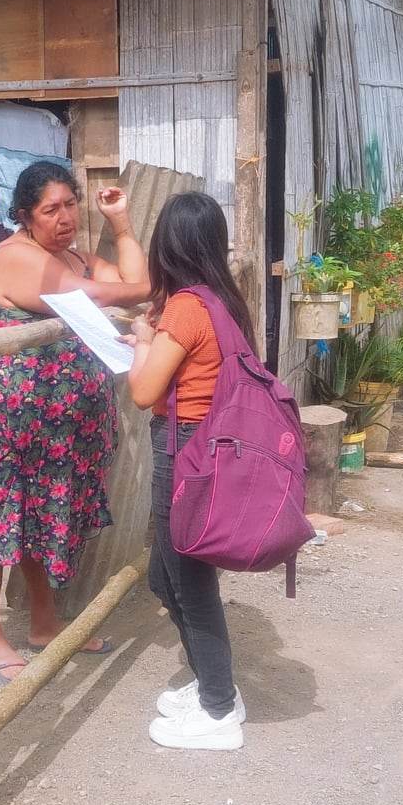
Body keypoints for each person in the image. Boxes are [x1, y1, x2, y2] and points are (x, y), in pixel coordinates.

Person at [0, 161, 152, 684]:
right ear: (25, 215)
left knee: (37, 522)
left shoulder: (69, 258)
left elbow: (133, 284)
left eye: (71, 204)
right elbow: (108, 293)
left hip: (51, 430)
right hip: (5, 424)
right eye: (51, 209)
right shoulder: (18, 258)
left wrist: (120, 224)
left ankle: (44, 626)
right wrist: (142, 286)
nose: (65, 217)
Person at [123, 191, 253, 751]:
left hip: (185, 448)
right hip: (209, 445)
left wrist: (142, 343)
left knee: (189, 580)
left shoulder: (183, 308)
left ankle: (219, 710)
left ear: (167, 246)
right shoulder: (222, 299)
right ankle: (213, 686)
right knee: (164, 575)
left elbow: (143, 392)